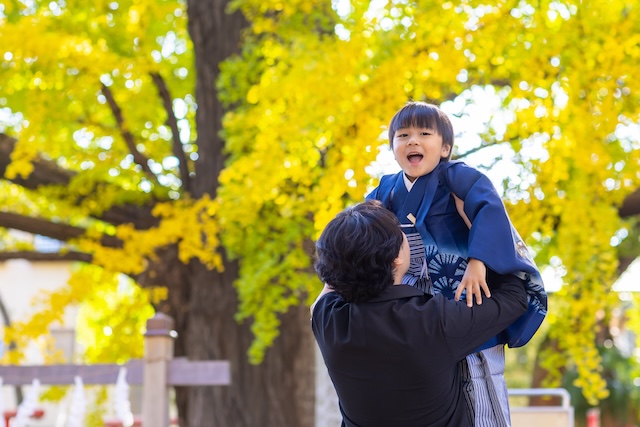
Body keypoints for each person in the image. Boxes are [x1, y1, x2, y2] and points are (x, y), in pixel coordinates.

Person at [365, 101, 548, 426]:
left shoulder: (456, 177)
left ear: (445, 147)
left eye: (424, 133)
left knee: (482, 383)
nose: (412, 141)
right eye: (402, 135)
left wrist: (480, 261)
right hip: (416, 311)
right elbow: (359, 226)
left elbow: (489, 208)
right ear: (392, 146)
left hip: (465, 296)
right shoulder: (386, 188)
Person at [311, 200, 528, 427]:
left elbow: (328, 285)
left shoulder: (328, 320)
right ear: (397, 258)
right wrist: (482, 232)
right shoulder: (434, 321)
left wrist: (352, 230)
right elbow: (515, 298)